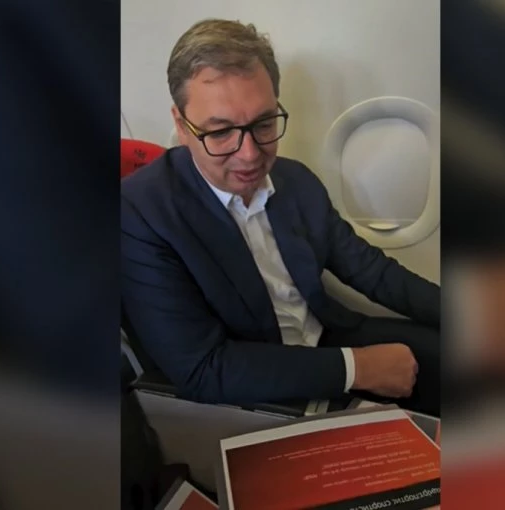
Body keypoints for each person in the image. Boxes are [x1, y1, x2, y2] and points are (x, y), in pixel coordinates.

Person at [120, 18, 440, 416]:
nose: (250, 155)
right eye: (220, 133)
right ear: (181, 126)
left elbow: (371, 271)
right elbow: (202, 369)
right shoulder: (140, 212)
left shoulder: (295, 180)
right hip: (253, 391)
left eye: (264, 123)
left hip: (327, 337)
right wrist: (357, 368)